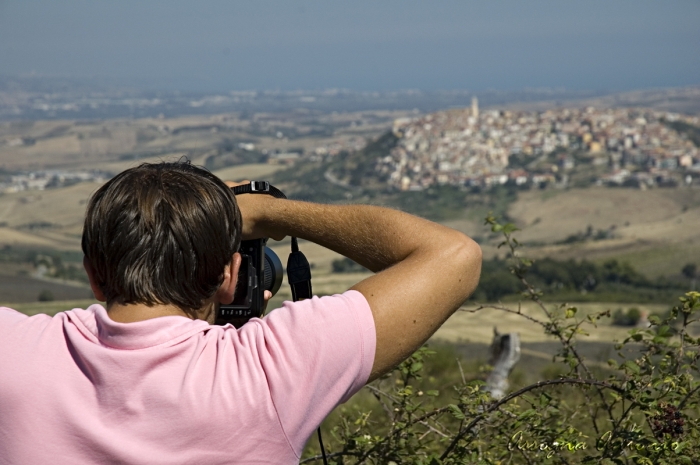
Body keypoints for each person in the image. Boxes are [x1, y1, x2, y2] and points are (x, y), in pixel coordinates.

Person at [0, 161, 481, 464]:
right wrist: (271, 215)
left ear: (92, 273)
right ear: (230, 277)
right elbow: (455, 256)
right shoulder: (268, 369)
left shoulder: (14, 351)